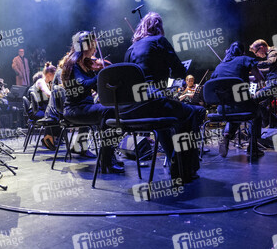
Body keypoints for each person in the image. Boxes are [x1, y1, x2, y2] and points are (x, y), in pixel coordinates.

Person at [122, 12, 205, 182]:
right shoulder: (159, 41)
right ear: (159, 27)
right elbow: (179, 71)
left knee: (162, 121)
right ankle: (185, 168)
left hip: (130, 109)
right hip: (152, 100)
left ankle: (175, 159)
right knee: (192, 112)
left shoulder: (130, 49)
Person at [62, 31, 124, 173]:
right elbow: (83, 85)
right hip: (74, 109)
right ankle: (107, 159)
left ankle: (107, 157)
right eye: (93, 45)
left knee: (116, 111)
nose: (95, 49)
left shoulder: (87, 65)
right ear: (86, 46)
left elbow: (97, 88)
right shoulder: (73, 64)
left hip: (86, 107)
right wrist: (101, 75)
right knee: (107, 111)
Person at [211, 41, 263, 157]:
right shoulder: (245, 59)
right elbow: (260, 78)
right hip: (241, 105)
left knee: (236, 113)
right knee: (257, 110)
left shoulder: (220, 66)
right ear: (242, 52)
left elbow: (213, 83)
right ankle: (253, 147)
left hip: (223, 108)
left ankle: (226, 136)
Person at [249, 39, 277, 127]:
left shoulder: (275, 52)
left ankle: (264, 126)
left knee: (253, 99)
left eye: (256, 52)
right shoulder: (270, 54)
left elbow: (271, 62)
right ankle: (274, 121)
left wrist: (254, 64)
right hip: (273, 85)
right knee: (261, 104)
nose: (257, 55)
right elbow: (268, 69)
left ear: (261, 47)